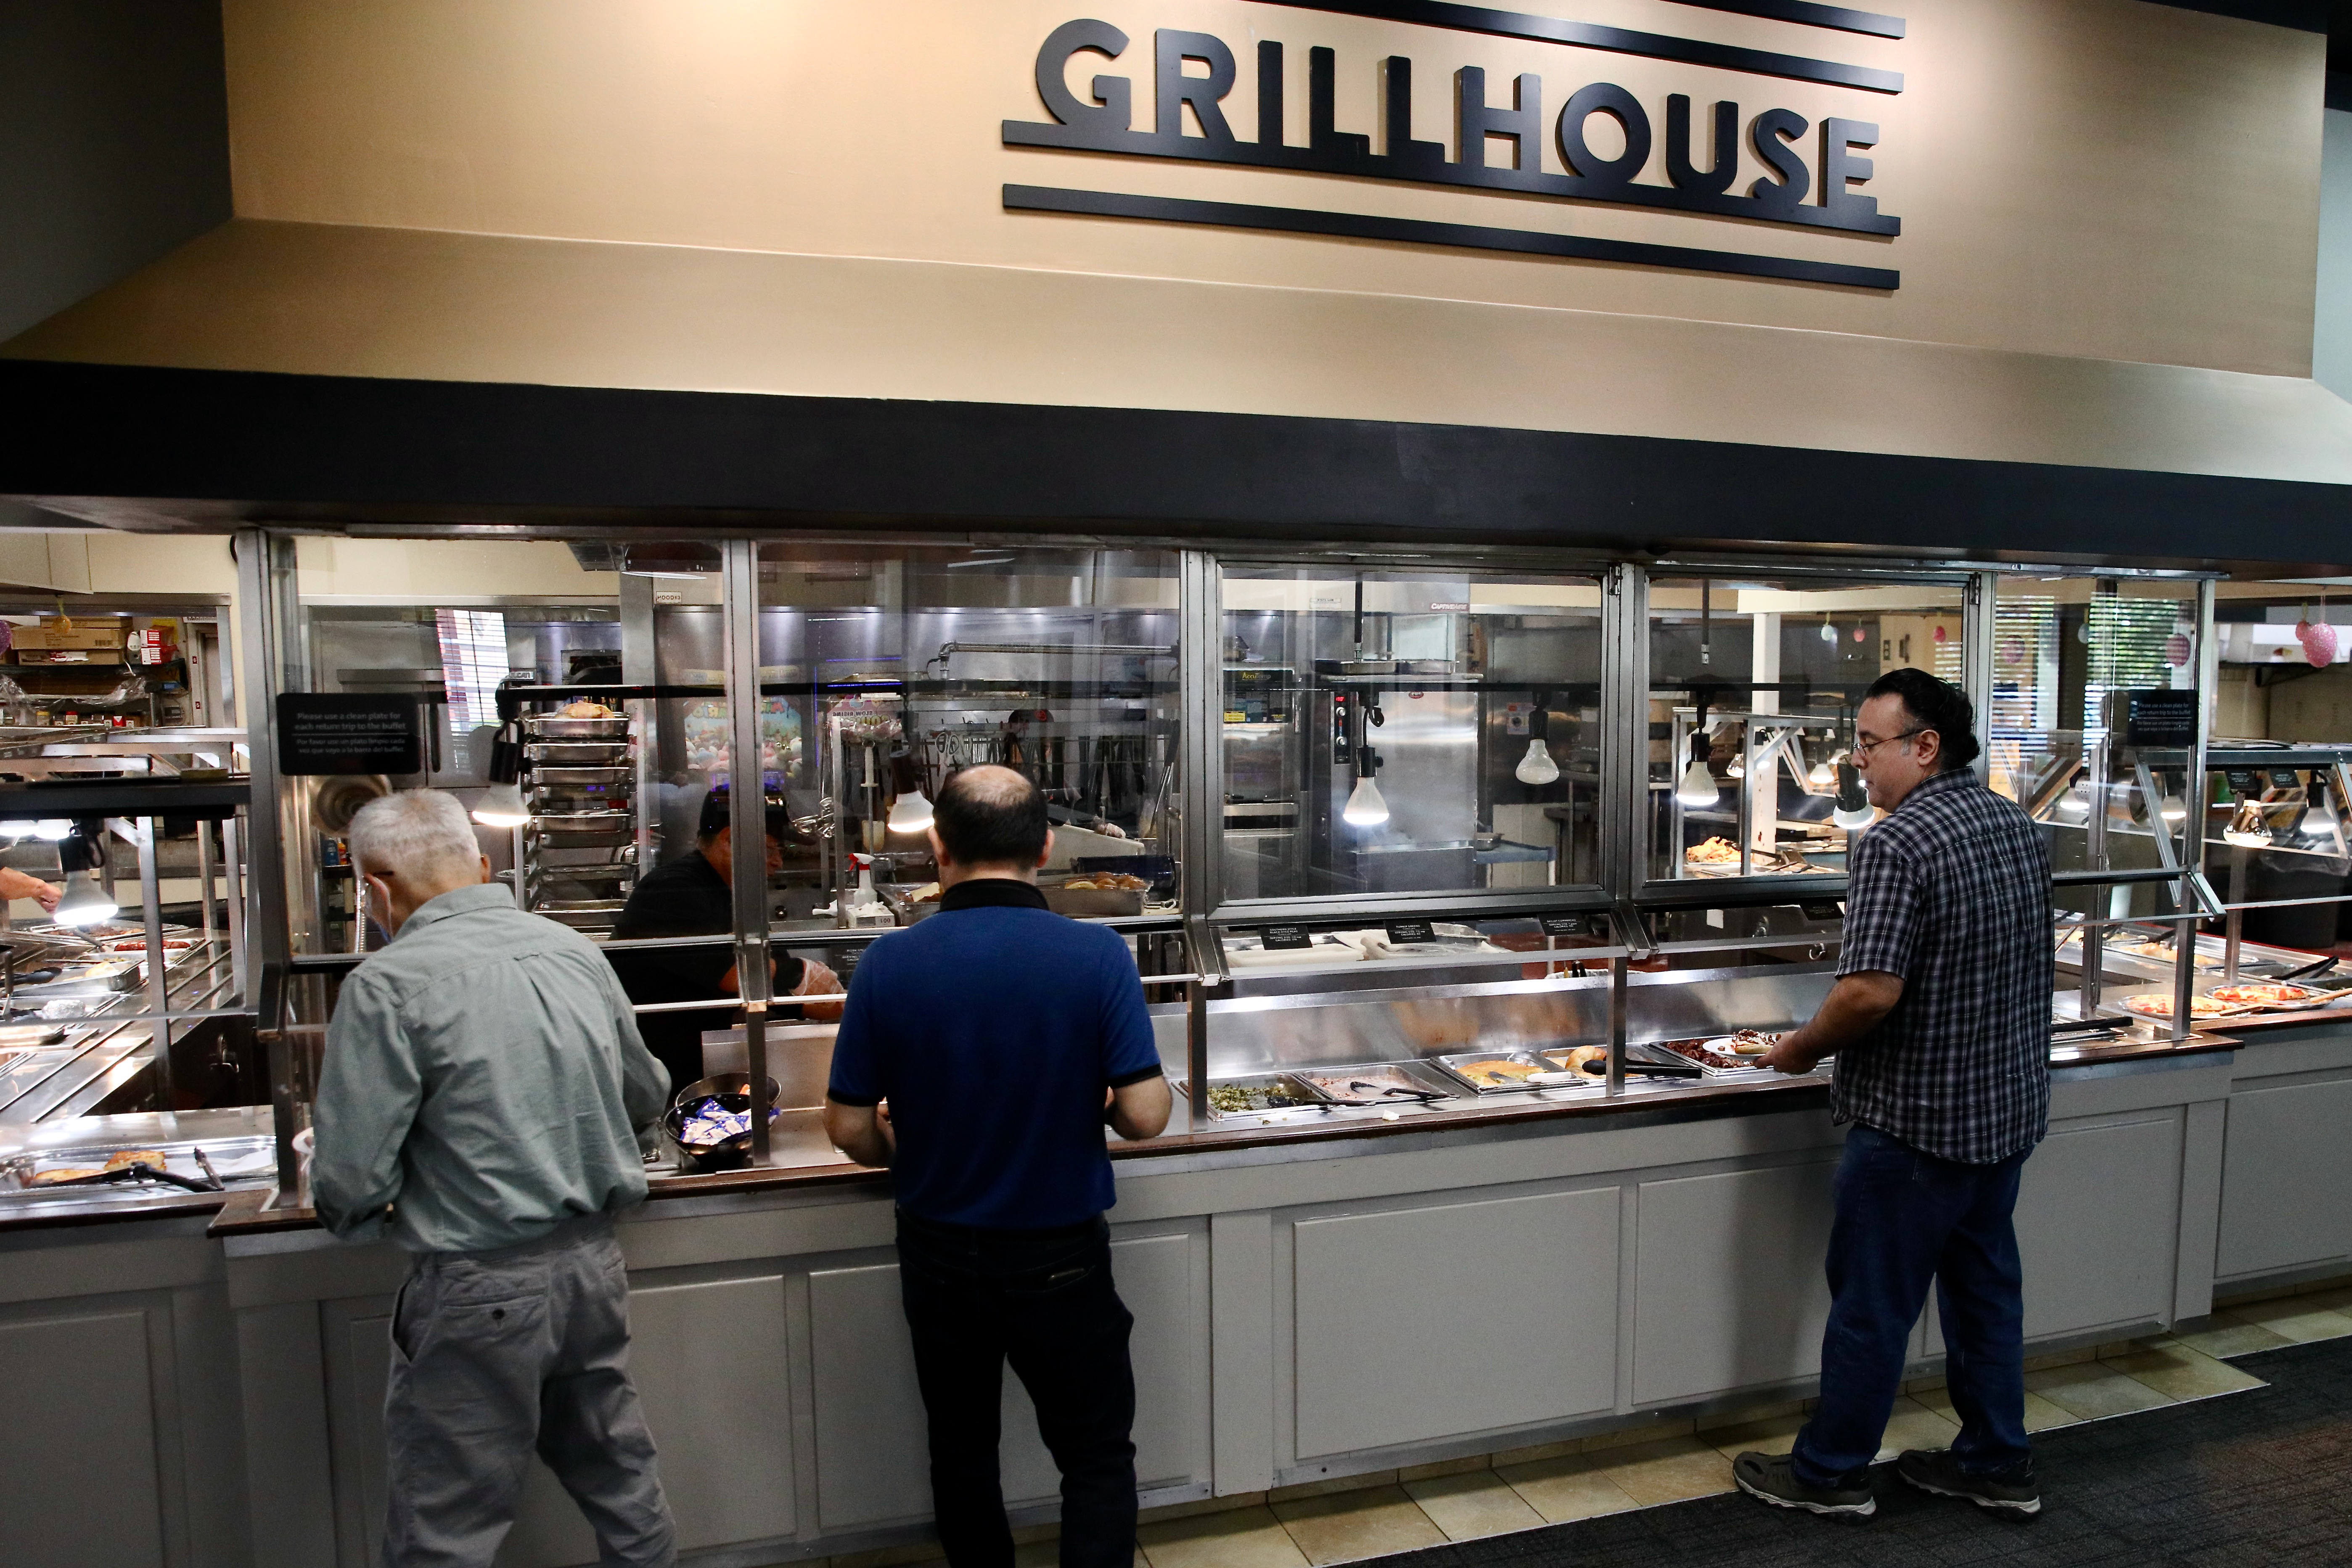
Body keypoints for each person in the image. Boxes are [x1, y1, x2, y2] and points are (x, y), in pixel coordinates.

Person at [310, 790, 678, 1568]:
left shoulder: (386, 983)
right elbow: (646, 1092)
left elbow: (351, 1180)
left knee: (445, 1525)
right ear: (482, 865)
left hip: (478, 1284)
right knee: (623, 1480)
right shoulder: (573, 950)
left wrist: (364, 1215)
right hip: (592, 1267)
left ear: (373, 887)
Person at [823, 766, 1172, 1568]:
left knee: (962, 1449)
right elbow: (1146, 1114)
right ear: (1045, 847)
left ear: (937, 846)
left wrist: (898, 1151)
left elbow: (846, 1124)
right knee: (1094, 1456)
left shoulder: (887, 962)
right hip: (1061, 1257)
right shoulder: (1096, 954)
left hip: (939, 1253)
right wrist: (1092, 1103)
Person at [1735, 669, 2053, 1520]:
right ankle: (1997, 1461)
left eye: (1869, 744)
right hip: (2004, 1113)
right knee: (1985, 1297)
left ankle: (1830, 1472)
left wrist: (1797, 1050)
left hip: (1915, 1125)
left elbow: (1869, 991)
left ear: (1925, 746)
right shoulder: (2015, 824)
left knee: (1873, 1307)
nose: (1857, 759)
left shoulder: (1895, 841)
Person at [607, 785, 842, 1091]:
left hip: (693, 1055)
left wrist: (807, 1000)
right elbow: (735, 974)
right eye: (771, 849)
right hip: (650, 1071)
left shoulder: (729, 892)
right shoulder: (673, 889)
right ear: (730, 840)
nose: (778, 863)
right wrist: (800, 975)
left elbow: (763, 965)